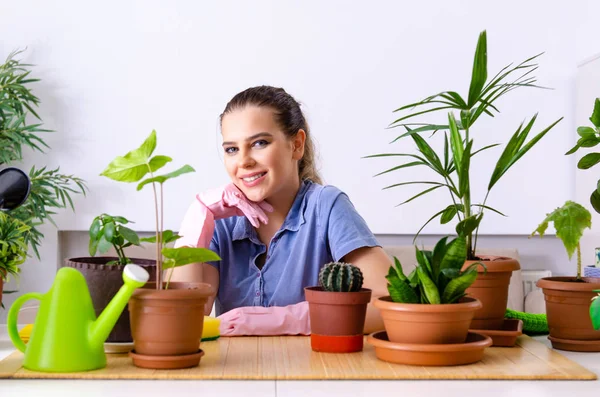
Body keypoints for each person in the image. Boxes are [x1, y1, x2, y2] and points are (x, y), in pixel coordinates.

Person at [170, 85, 390, 336]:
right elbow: (181, 320)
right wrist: (197, 217)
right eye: (232, 149)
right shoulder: (219, 223)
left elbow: (388, 304)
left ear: (296, 145)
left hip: (312, 371)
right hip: (232, 371)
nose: (243, 161)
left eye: (259, 143)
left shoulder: (326, 206)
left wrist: (288, 320)